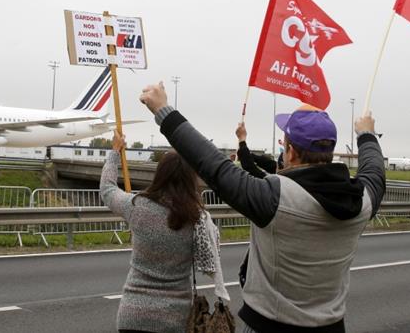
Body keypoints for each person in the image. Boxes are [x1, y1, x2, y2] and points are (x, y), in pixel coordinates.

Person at [140, 82, 385, 333]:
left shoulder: (275, 198)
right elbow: (374, 170)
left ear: (289, 152)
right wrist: (366, 135)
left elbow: (212, 165)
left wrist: (162, 110)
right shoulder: (362, 201)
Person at [100, 130, 204, 333]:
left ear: (160, 174)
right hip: (174, 320)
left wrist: (115, 152)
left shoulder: (137, 206)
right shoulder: (197, 218)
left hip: (132, 316)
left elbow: (107, 189)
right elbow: (208, 260)